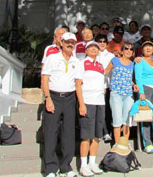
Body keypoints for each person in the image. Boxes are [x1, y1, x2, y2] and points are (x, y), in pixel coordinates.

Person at [41, 32, 79, 177]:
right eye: (67, 42)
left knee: (68, 133)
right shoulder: (52, 58)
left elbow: (77, 82)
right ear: (61, 43)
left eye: (73, 42)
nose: (70, 44)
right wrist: (47, 98)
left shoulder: (76, 61)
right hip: (54, 97)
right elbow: (45, 79)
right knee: (51, 133)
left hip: (70, 98)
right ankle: (50, 168)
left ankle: (66, 166)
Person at [75, 41, 105, 177]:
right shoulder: (82, 64)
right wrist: (81, 103)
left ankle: (92, 162)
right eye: (91, 47)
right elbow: (78, 84)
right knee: (86, 136)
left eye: (96, 48)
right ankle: (83, 165)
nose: (94, 49)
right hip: (88, 102)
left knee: (97, 135)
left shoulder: (100, 66)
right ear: (86, 50)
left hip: (100, 102)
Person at [105, 42, 139, 143]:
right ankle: (117, 144)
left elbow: (130, 79)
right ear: (122, 50)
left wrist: (134, 85)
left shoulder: (133, 64)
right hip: (116, 94)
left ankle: (124, 144)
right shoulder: (115, 60)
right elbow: (105, 71)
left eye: (131, 49)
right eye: (126, 48)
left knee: (127, 121)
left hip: (128, 94)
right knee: (117, 120)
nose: (128, 51)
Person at [134, 40, 153, 154]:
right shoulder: (139, 61)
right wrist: (141, 92)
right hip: (145, 89)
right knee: (145, 115)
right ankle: (147, 142)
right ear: (142, 49)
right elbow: (138, 78)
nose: (148, 49)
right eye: (146, 47)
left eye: (150, 47)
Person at [95, 34, 115, 142]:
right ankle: (101, 132)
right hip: (97, 87)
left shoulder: (111, 56)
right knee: (99, 111)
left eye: (104, 41)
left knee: (107, 111)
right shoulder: (93, 55)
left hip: (108, 86)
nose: (102, 43)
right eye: (99, 41)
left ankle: (107, 132)